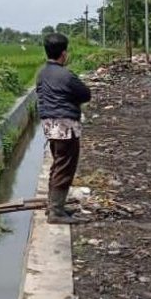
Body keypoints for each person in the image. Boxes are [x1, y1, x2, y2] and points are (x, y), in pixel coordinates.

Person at [36, 33, 92, 224]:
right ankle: (56, 212)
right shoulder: (66, 75)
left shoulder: (42, 73)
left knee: (58, 164)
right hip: (65, 126)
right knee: (65, 167)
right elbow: (85, 94)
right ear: (63, 53)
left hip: (49, 125)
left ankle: (53, 206)